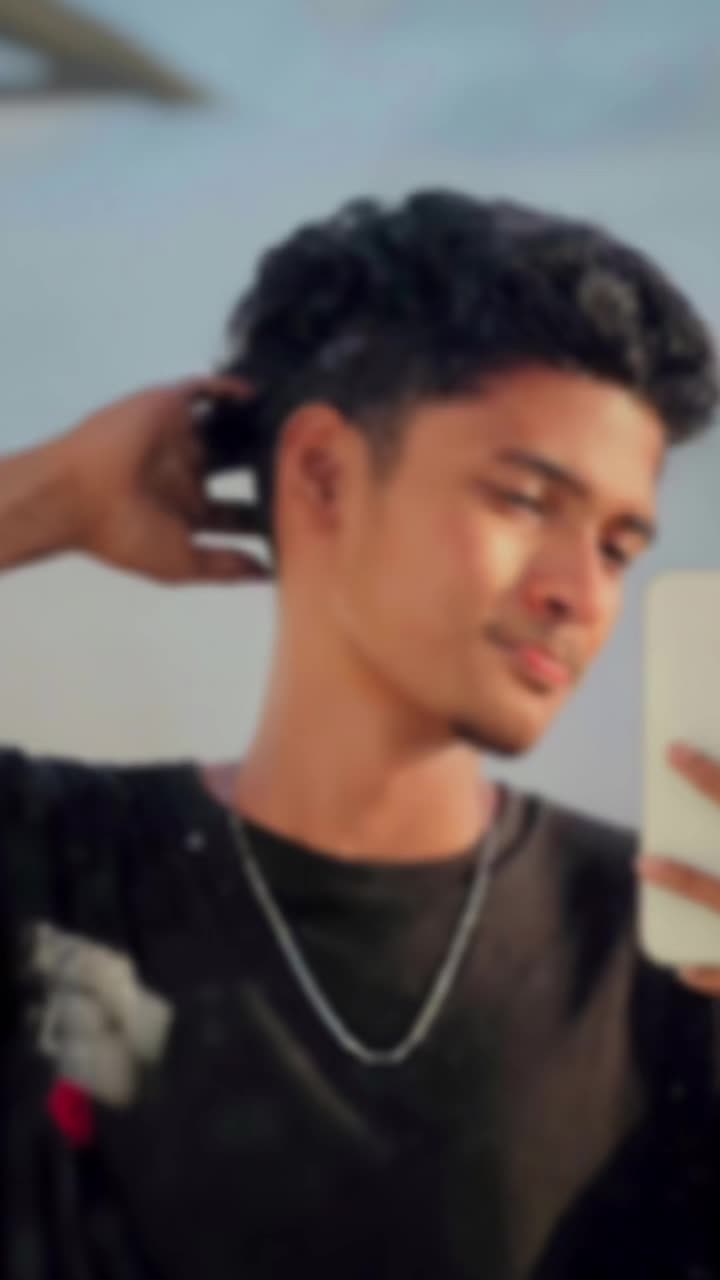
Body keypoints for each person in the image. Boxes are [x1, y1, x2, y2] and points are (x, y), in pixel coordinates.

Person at [2, 192, 720, 1280]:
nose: (581, 593)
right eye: (526, 501)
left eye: (619, 548)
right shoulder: (55, 867)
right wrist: (47, 494)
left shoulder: (664, 959)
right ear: (323, 474)